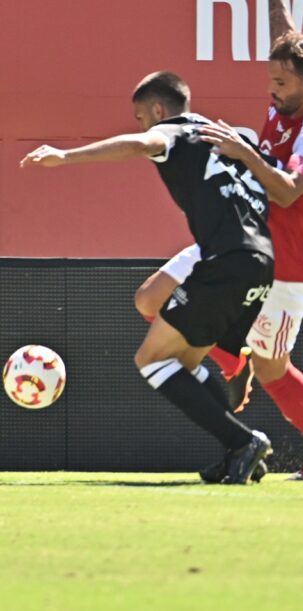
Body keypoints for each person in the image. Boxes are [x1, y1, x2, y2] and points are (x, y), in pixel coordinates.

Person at [134, 1, 303, 481]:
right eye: (271, 81)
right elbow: (285, 37)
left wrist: (243, 153)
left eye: (280, 84)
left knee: (275, 371)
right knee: (150, 298)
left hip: (284, 265)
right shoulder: (292, 89)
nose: (270, 91)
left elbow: (291, 189)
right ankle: (233, 364)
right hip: (236, 238)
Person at [21, 72, 275, 484]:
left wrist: (66, 157)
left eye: (142, 117)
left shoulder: (171, 133)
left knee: (151, 359)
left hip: (226, 261)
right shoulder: (217, 135)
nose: (143, 126)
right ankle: (237, 451)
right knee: (184, 361)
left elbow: (142, 144)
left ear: (158, 110)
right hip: (261, 261)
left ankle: (244, 441)